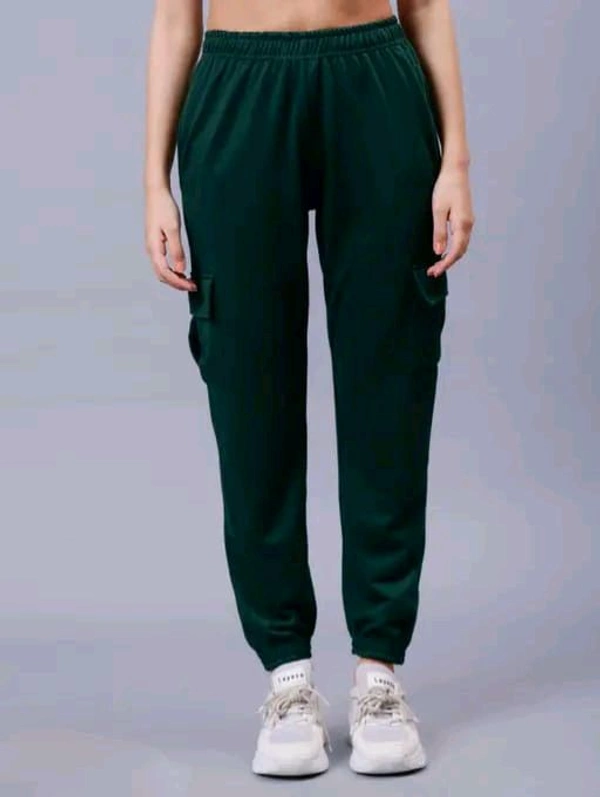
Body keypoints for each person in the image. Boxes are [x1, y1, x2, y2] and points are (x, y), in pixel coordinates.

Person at [144, 0, 474, 778]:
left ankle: (378, 673)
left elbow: (426, 3)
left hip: (373, 83)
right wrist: (153, 181)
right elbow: (174, 19)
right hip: (238, 86)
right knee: (247, 387)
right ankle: (287, 676)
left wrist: (456, 160)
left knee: (390, 380)